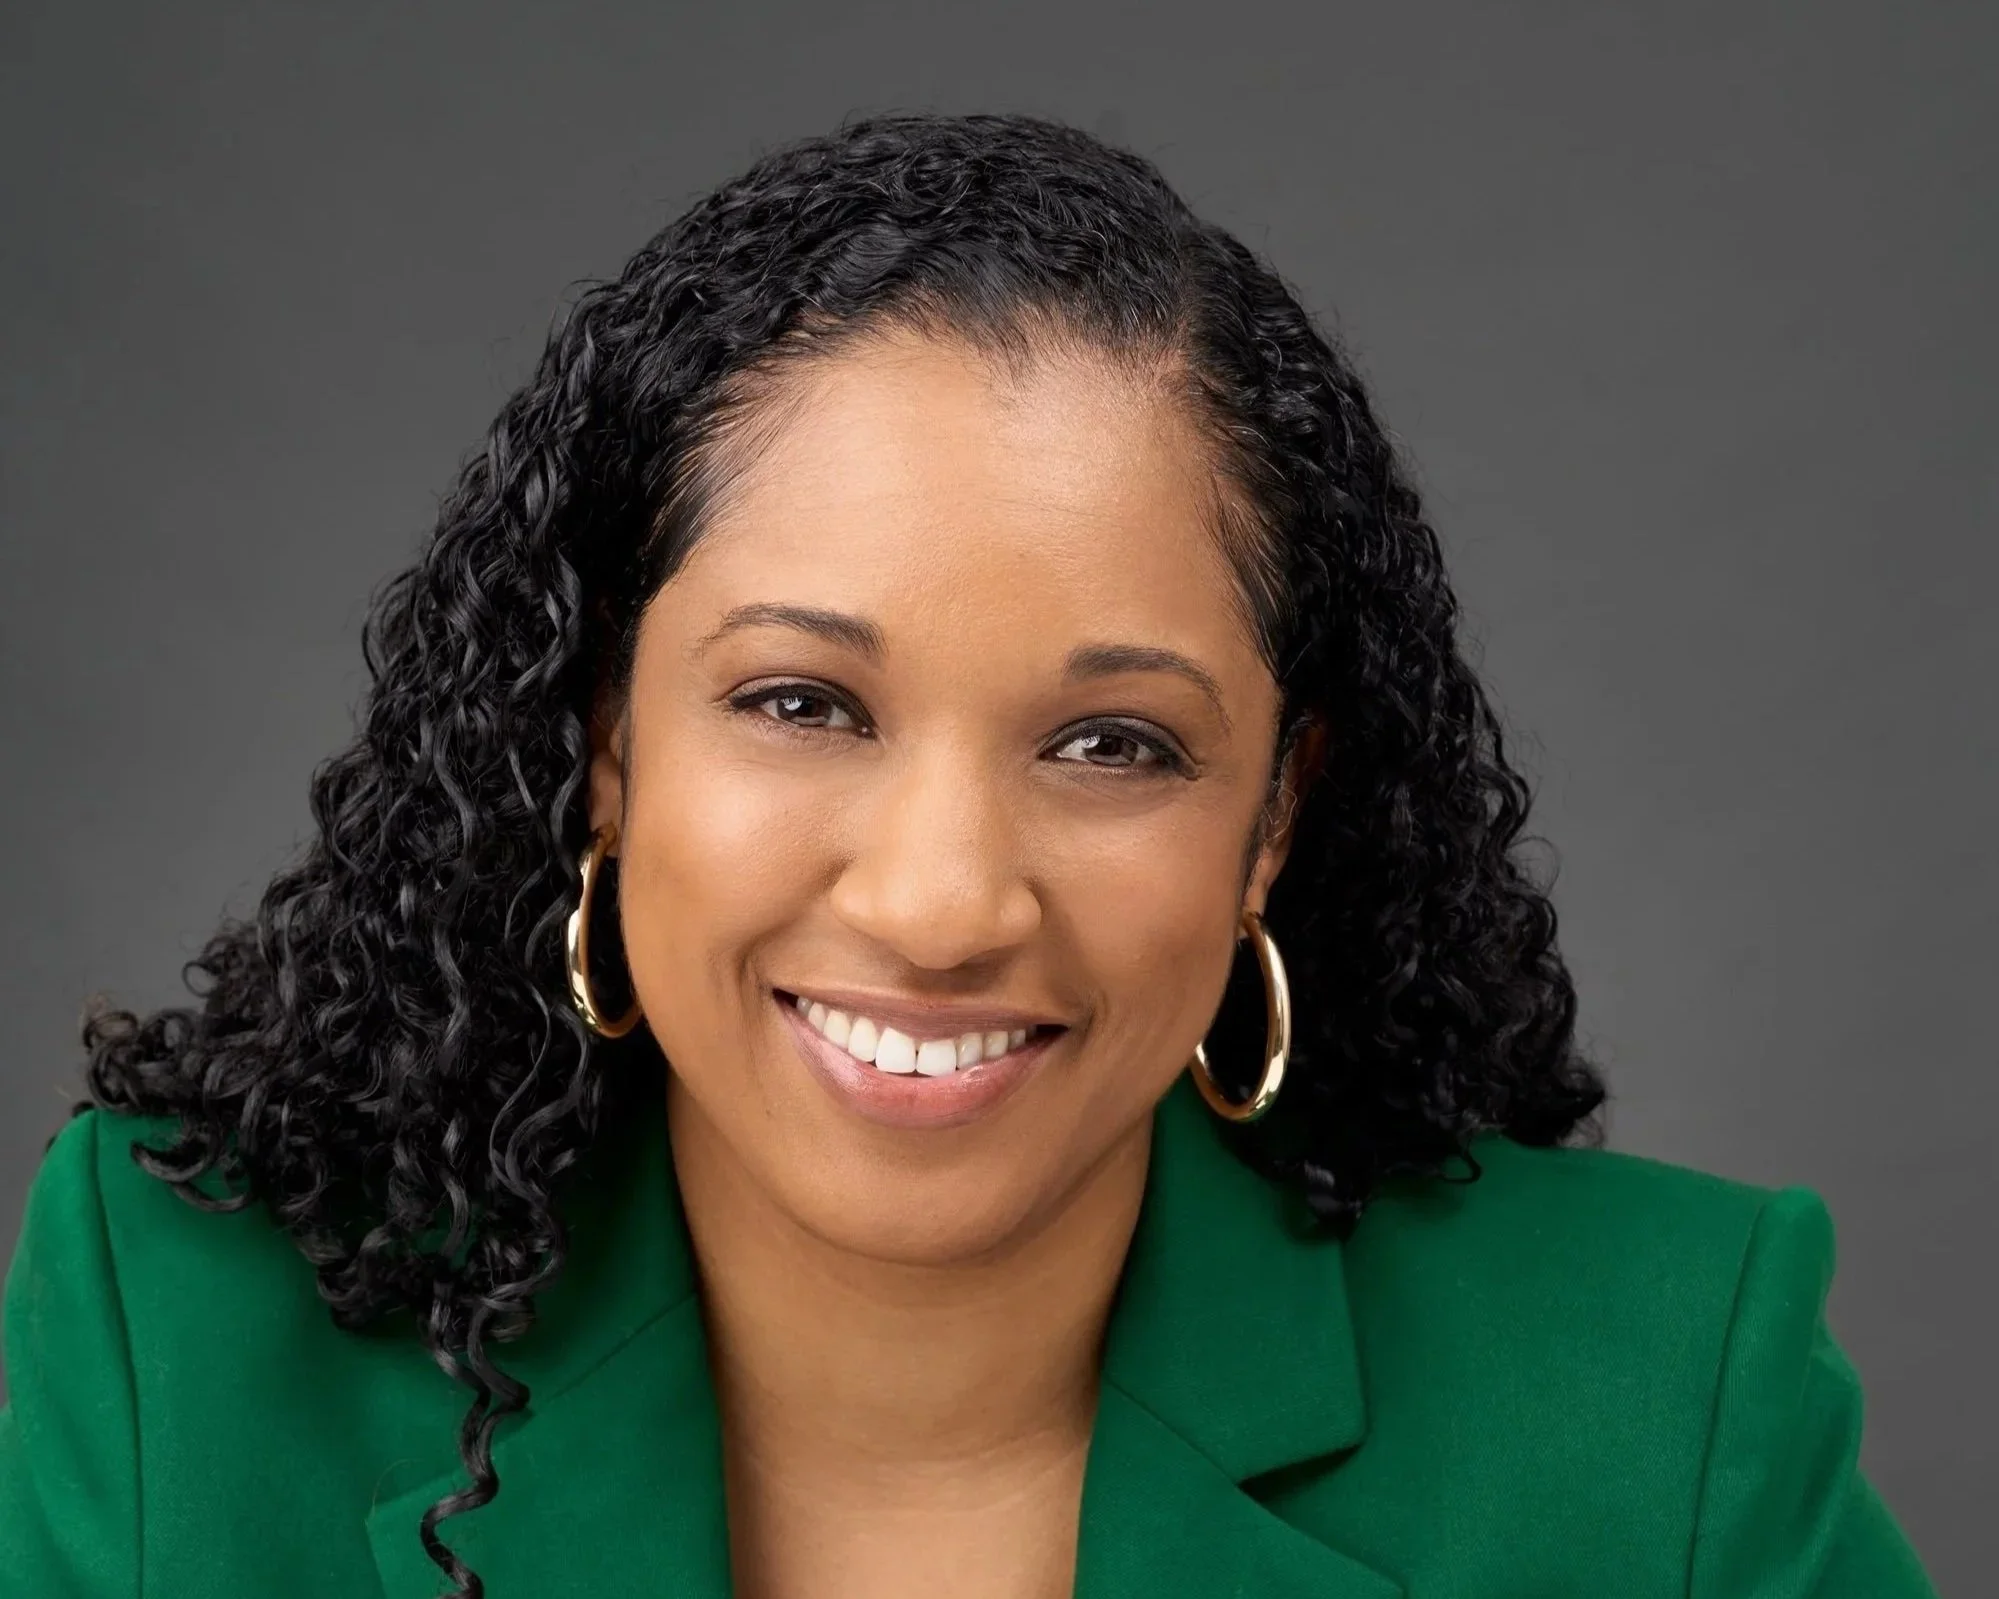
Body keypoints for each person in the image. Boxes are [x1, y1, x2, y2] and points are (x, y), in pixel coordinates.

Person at [0, 111, 1939, 1599]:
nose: (939, 902)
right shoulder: (191, 1335)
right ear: (600, 743)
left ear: (1272, 818)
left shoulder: (1666, 1398)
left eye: (1114, 745)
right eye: (801, 703)